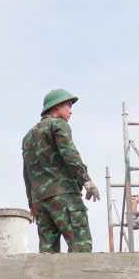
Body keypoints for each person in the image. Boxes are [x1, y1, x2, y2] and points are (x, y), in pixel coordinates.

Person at [22, 89, 100, 253]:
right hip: (64, 195)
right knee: (80, 246)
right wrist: (86, 181)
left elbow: (27, 172)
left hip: (40, 202)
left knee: (47, 253)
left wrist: (31, 203)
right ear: (56, 106)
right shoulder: (58, 124)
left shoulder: (28, 136)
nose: (71, 111)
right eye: (68, 105)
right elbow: (70, 154)